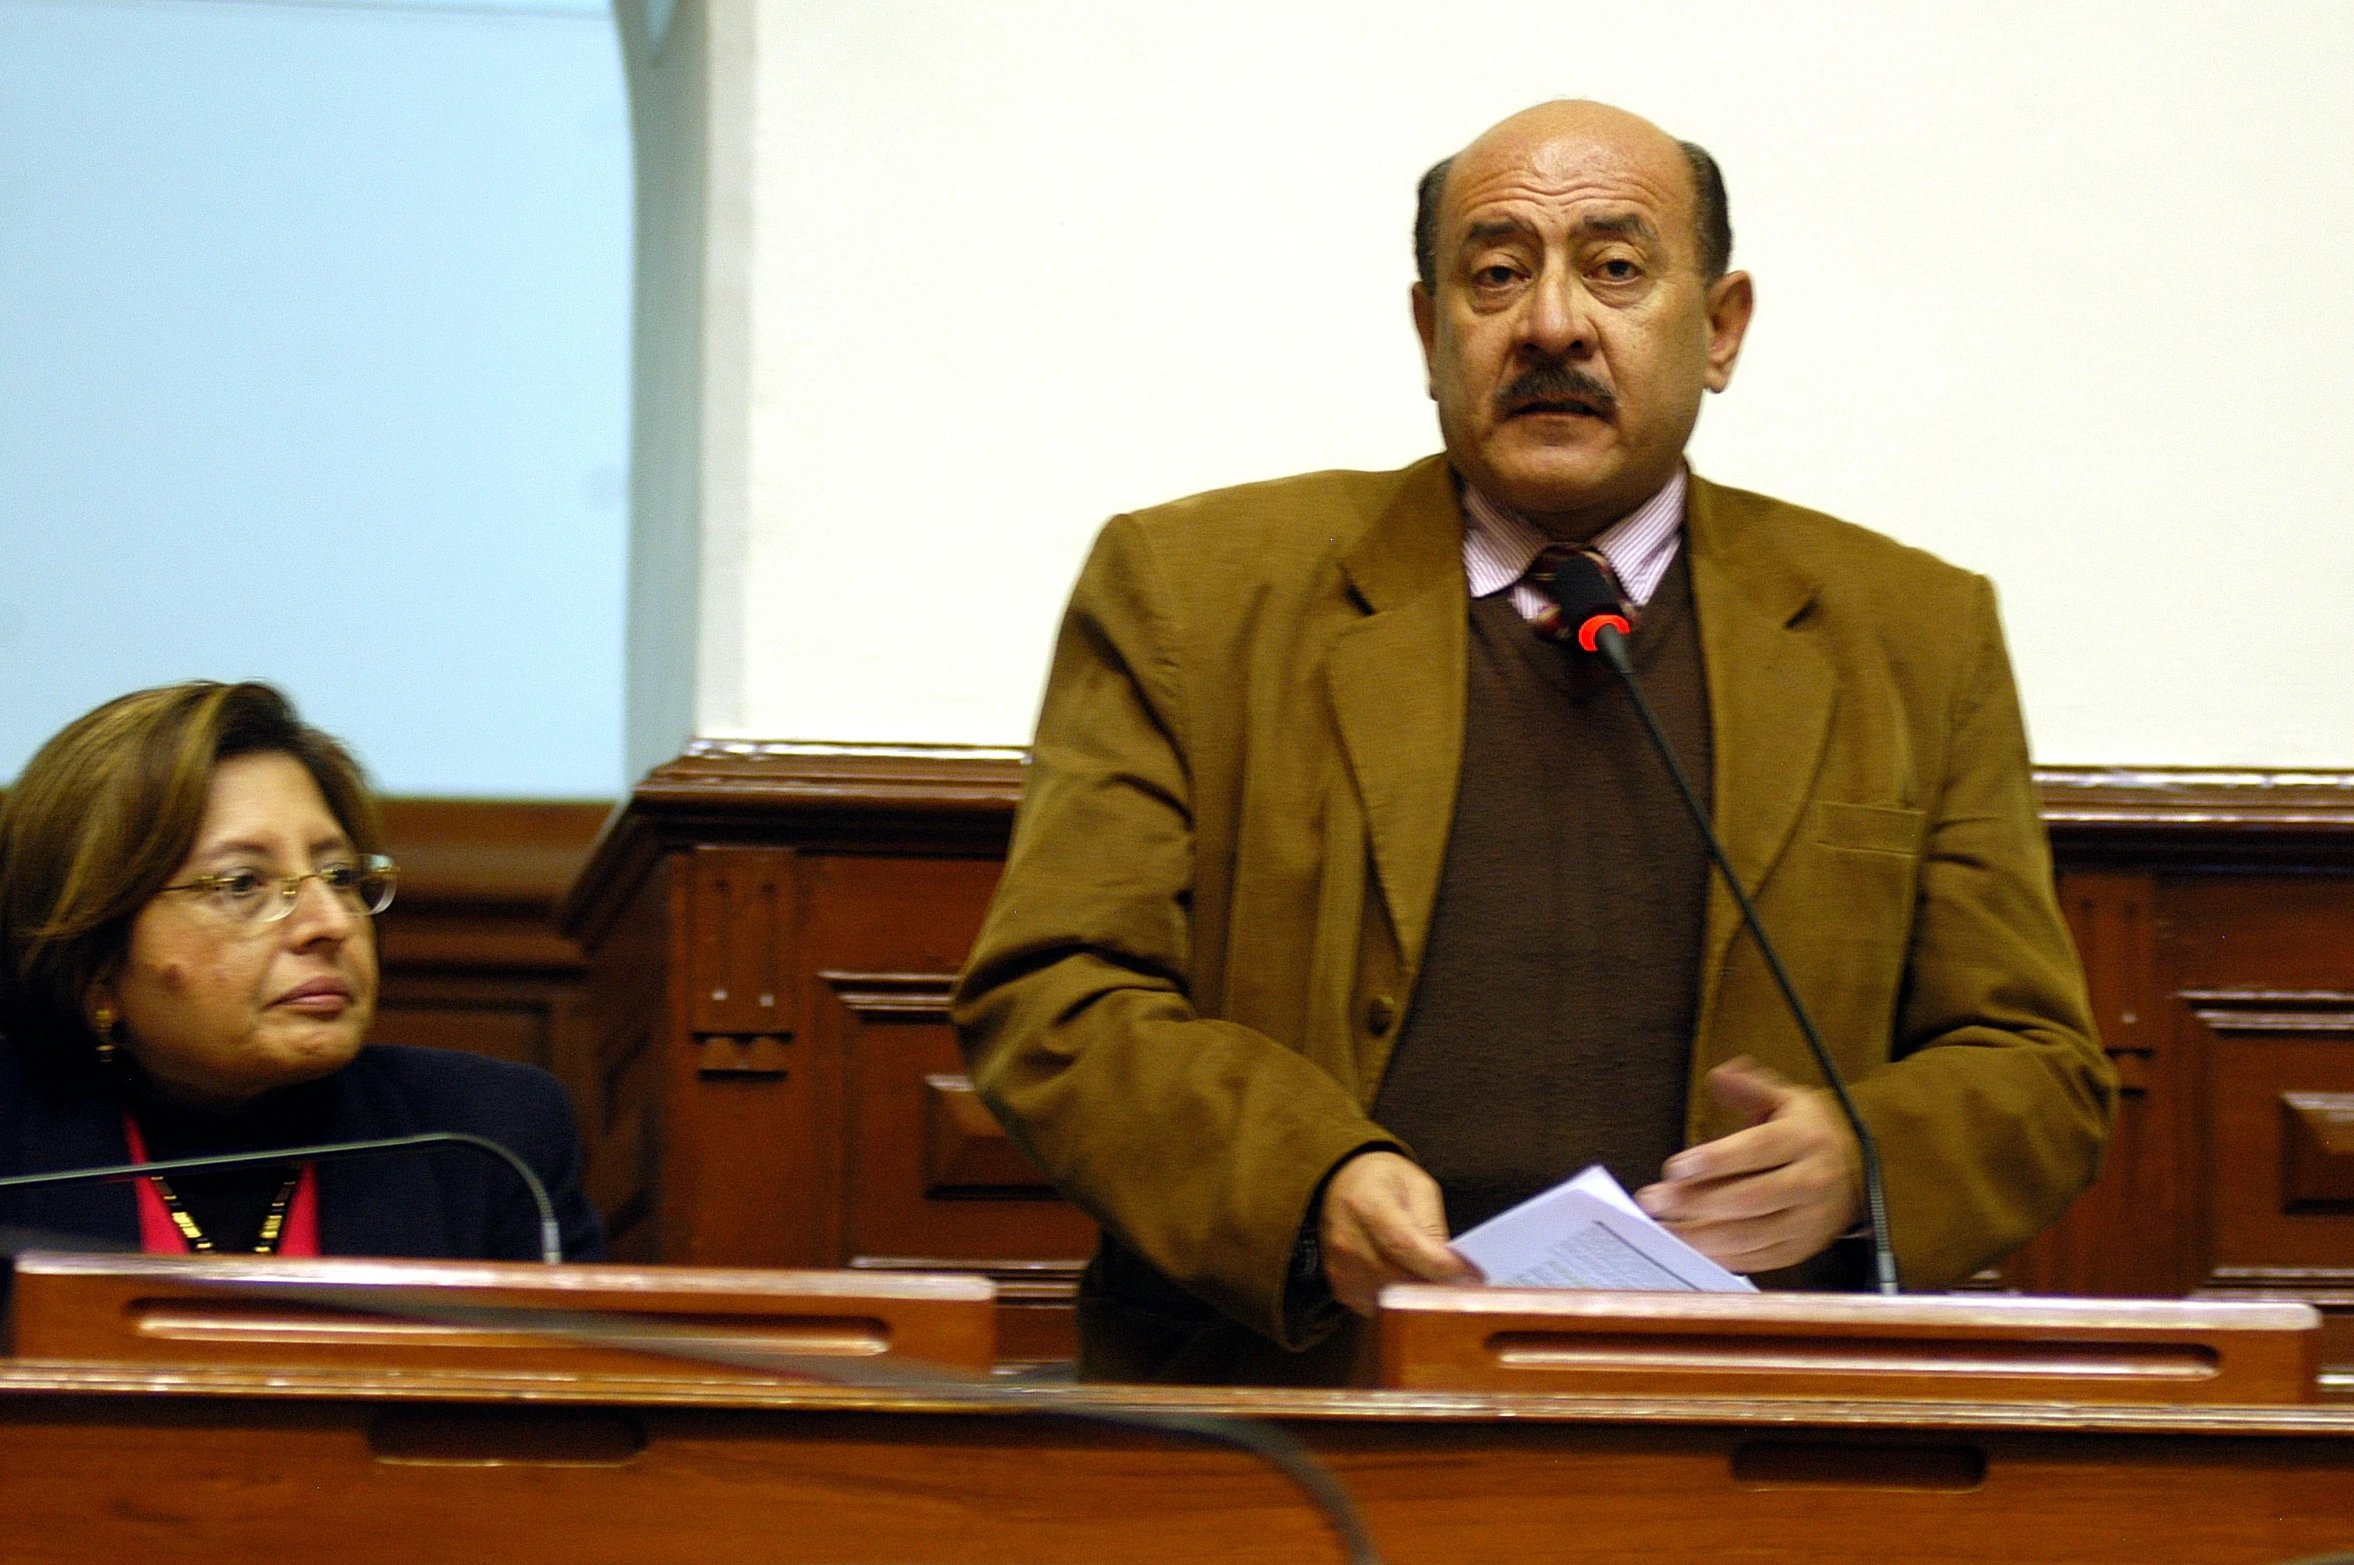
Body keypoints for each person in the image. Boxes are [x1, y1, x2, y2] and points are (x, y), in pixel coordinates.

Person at [954, 100, 2116, 1383]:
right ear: (1428, 332)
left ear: (1719, 328)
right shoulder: (1192, 592)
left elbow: (2035, 1066)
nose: (1552, 324)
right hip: (1297, 1393)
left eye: (1615, 268)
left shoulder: (1907, 631)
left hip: (1732, 1412)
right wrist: (1304, 1183)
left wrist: (1857, 1160)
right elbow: (1056, 991)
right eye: (1496, 273)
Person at [0, 681, 604, 1261]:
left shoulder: (487, 1140)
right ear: (96, 964)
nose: (331, 923)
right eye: (242, 884)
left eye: (339, 876)